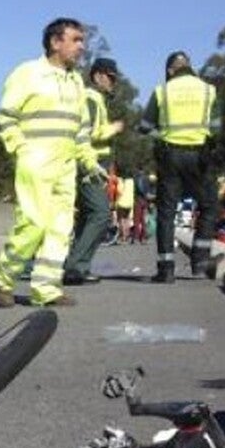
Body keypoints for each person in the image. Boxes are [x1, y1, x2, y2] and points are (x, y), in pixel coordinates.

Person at [0, 18, 105, 307]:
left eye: (82, 40)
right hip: (35, 162)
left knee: (60, 229)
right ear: (55, 42)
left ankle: (47, 289)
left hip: (66, 166)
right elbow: (6, 118)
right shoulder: (27, 73)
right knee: (33, 224)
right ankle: (2, 276)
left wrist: (89, 162)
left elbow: (81, 129)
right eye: (75, 40)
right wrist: (21, 149)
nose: (81, 47)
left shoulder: (76, 81)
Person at [139, 51, 222, 283]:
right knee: (208, 207)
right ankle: (201, 262)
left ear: (170, 70)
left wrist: (162, 136)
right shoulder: (209, 90)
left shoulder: (162, 91)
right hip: (200, 156)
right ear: (190, 67)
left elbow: (144, 126)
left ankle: (166, 269)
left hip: (170, 156)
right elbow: (217, 128)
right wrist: (208, 145)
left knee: (166, 212)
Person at [62, 57, 125, 285]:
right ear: (97, 76)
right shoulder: (90, 98)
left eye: (114, 79)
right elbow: (87, 133)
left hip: (95, 164)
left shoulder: (97, 99)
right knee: (100, 214)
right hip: (90, 165)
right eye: (110, 77)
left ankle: (78, 267)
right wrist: (113, 128)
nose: (112, 83)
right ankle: (74, 266)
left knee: (88, 217)